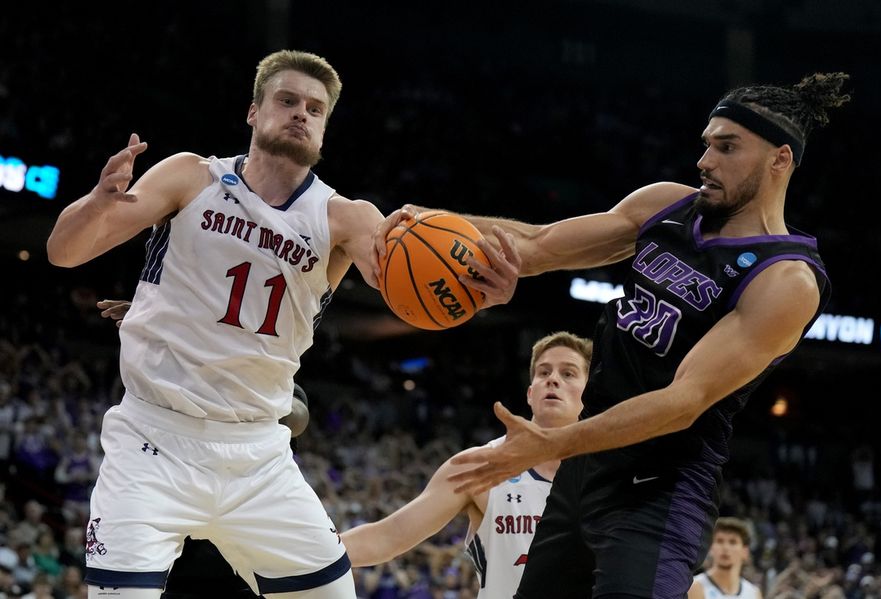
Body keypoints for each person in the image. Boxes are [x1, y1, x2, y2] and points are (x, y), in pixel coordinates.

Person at [375, 72, 850, 598]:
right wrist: (426, 224)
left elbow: (682, 402)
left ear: (779, 159)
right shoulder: (667, 206)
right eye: (706, 144)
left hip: (659, 488)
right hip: (583, 473)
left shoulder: (785, 279)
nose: (705, 160)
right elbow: (538, 245)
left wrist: (553, 443)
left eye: (727, 146)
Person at [45, 49, 398, 598]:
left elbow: (408, 284)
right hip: (152, 441)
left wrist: (469, 270)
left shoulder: (346, 218)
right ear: (254, 112)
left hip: (259, 456)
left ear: (325, 129)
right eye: (286, 101)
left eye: (315, 108)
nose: (301, 113)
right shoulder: (191, 175)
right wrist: (96, 202)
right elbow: (64, 252)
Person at [340, 331, 591, 598]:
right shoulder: (480, 464)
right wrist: (303, 554)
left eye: (568, 373)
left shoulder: (611, 473)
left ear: (591, 393)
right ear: (530, 394)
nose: (552, 379)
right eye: (543, 373)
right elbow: (388, 537)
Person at [96, 299, 311, 599]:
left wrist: (242, 393)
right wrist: (159, 319)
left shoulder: (269, 373)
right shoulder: (179, 382)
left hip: (243, 562)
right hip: (180, 564)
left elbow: (298, 417)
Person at [688, 517, 762, 599]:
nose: (725, 547)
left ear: (745, 552)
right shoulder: (694, 587)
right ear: (711, 548)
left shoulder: (754, 593)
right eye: (720, 541)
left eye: (732, 542)